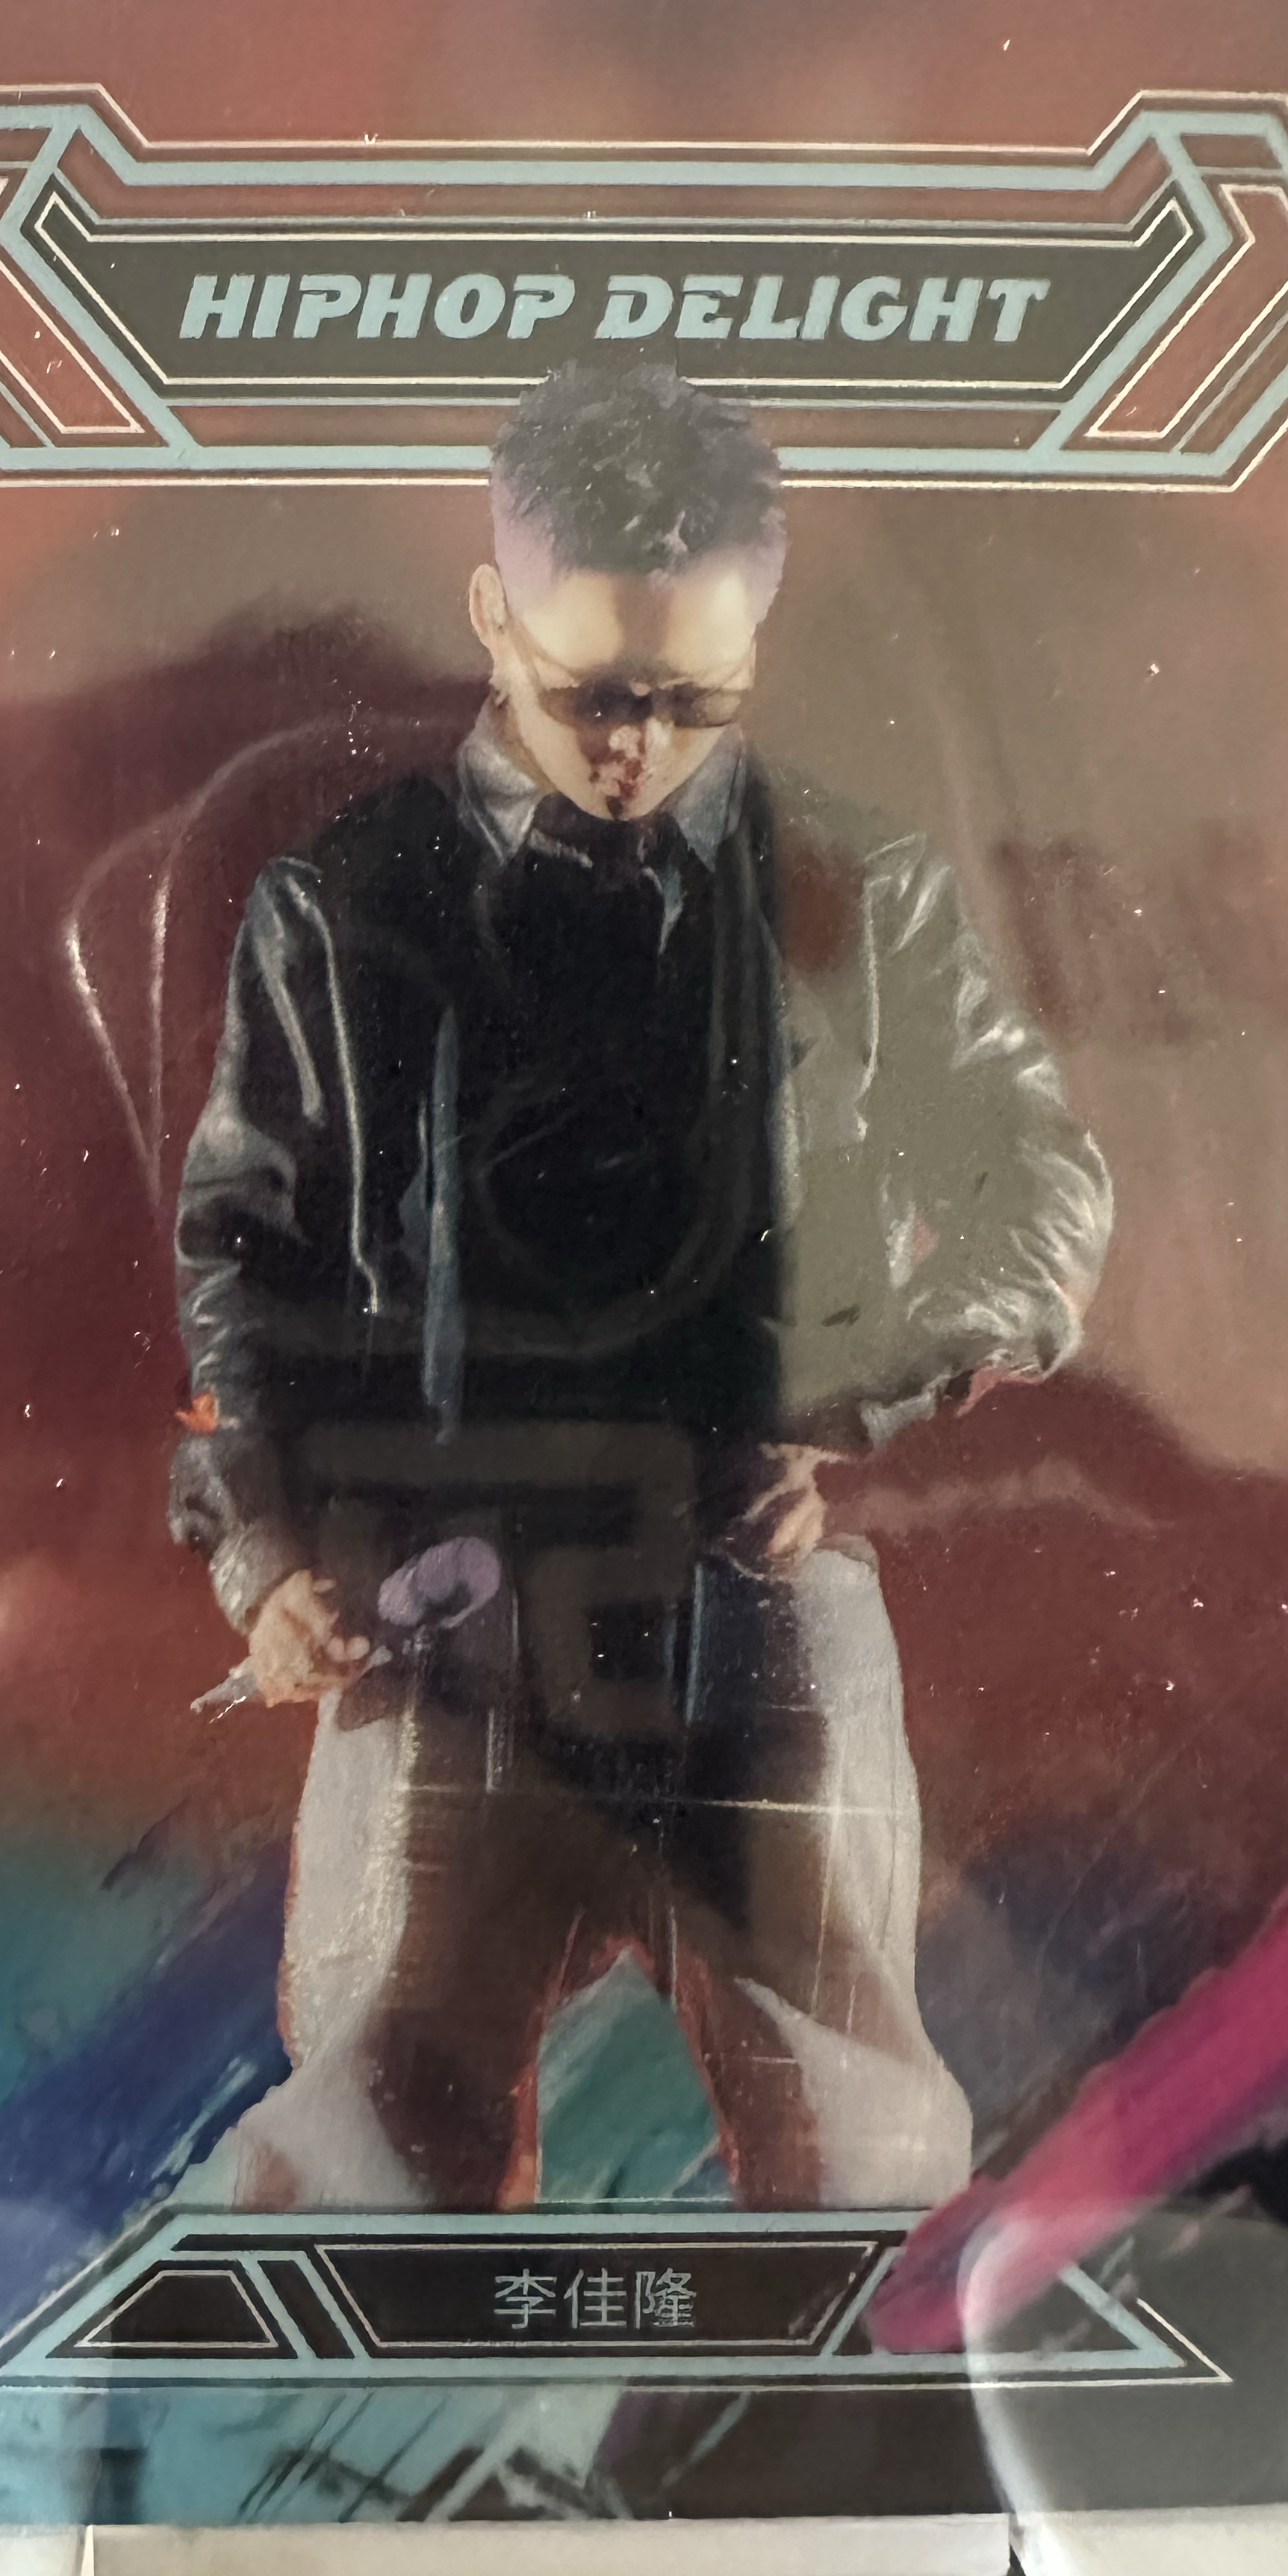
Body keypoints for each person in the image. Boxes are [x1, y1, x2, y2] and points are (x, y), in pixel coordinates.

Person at [169, 359, 1110, 2212]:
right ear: (490, 617)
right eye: (592, 693)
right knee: (360, 2158)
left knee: (860, 2158)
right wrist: (266, 1553)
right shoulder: (348, 908)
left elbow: (1047, 1196)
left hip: (745, 1607)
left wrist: (839, 1392)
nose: (638, 748)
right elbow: (248, 1266)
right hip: (445, 1617)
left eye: (696, 701)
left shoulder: (859, 889)